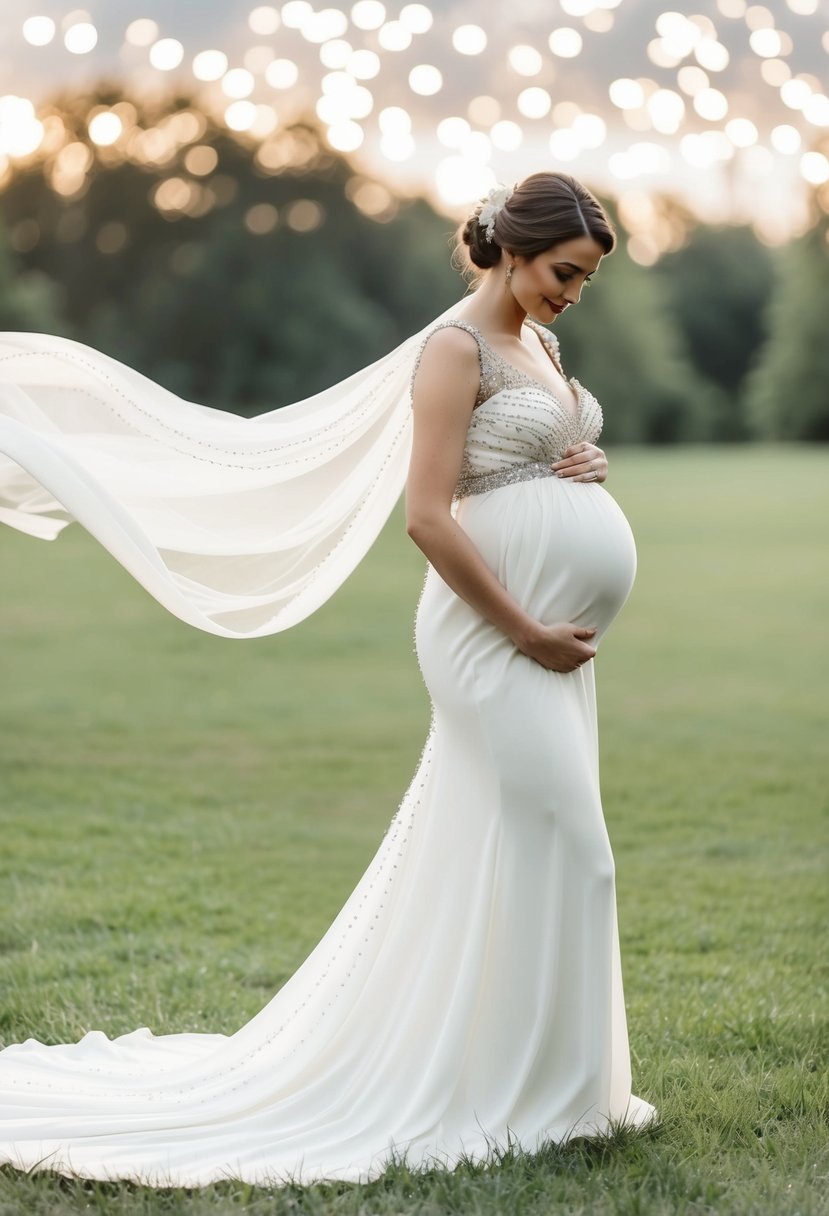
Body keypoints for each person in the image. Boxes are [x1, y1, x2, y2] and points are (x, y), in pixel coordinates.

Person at [0, 170, 658, 1186]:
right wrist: (526, 627)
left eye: (582, 280)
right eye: (563, 273)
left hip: (549, 646)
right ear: (513, 251)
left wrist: (587, 464)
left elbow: (532, 455)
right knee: (580, 851)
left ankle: (551, 1092)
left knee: (521, 854)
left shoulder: (542, 343)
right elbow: (428, 515)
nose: (572, 292)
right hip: (494, 643)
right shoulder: (453, 351)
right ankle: (539, 1094)